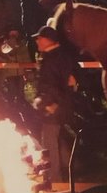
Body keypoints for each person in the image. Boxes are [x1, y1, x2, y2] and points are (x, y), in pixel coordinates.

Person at [32, 25, 78, 182]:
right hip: (59, 105)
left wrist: (51, 104)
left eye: (39, 38)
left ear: (47, 40)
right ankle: (72, 168)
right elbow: (71, 78)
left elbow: (55, 84)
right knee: (58, 139)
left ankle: (54, 179)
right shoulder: (60, 56)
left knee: (49, 144)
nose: (37, 41)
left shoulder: (53, 59)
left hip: (53, 107)